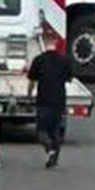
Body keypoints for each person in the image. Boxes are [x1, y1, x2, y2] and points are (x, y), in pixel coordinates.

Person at [27, 37, 74, 169]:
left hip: (43, 100)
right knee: (55, 130)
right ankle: (54, 157)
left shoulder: (39, 60)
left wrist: (29, 95)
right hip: (59, 100)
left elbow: (32, 80)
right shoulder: (64, 61)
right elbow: (69, 79)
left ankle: (49, 148)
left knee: (41, 130)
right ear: (55, 45)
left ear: (45, 46)